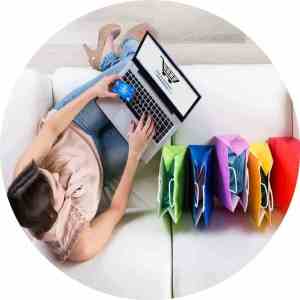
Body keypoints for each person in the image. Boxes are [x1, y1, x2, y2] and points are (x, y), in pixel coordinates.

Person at [7, 23, 157, 262]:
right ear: (55, 213)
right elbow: (116, 210)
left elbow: (53, 127)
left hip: (73, 126)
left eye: (48, 174)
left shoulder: (24, 177)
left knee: (134, 67)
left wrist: (94, 91)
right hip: (101, 162)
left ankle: (114, 57)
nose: (56, 176)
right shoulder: (80, 246)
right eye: (57, 186)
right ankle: (107, 58)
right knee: (153, 121)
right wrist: (135, 153)